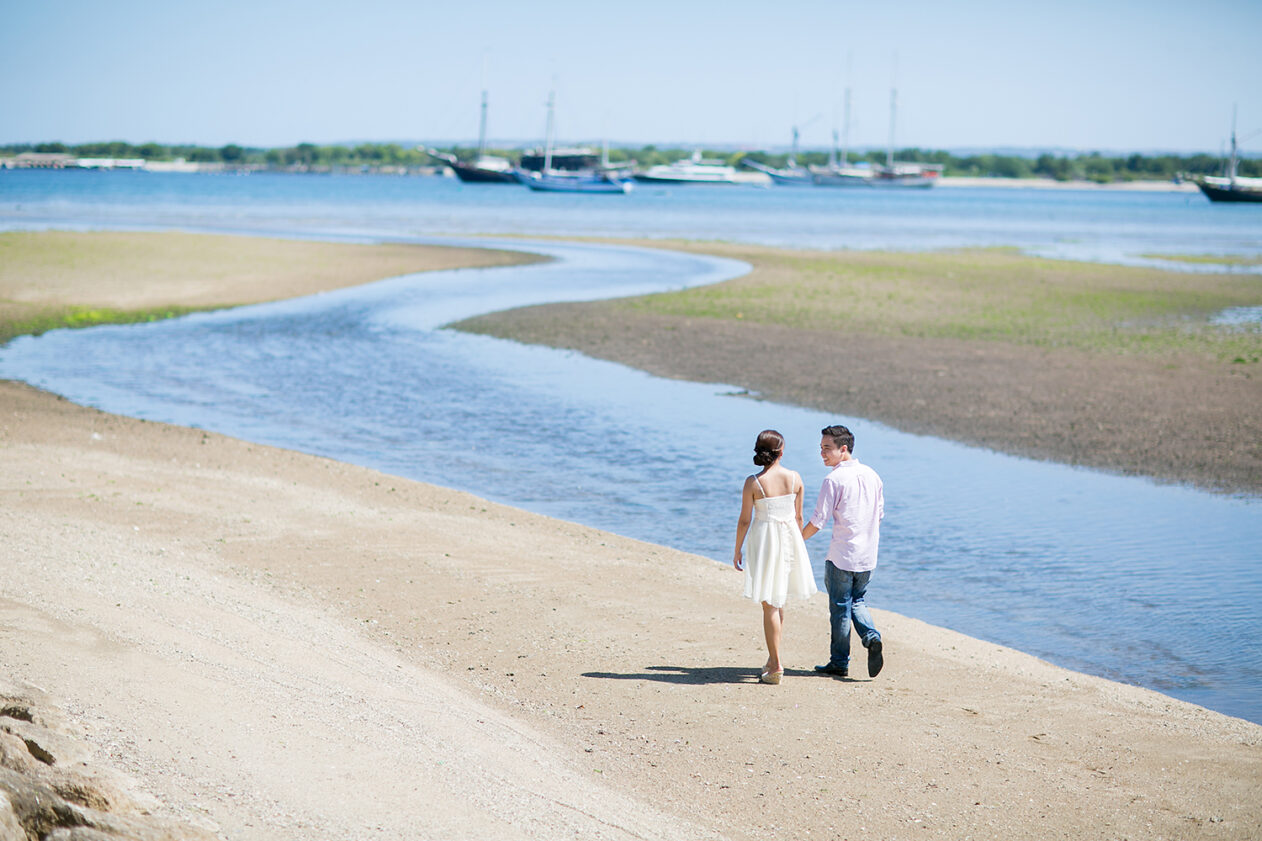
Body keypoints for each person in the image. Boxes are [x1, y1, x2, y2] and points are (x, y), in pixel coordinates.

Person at [733, 429, 818, 685]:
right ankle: (773, 659)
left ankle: (776, 663)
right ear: (781, 452)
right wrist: (798, 545)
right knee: (778, 601)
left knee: (769, 603)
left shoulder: (753, 482)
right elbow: (800, 517)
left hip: (765, 540)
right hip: (789, 538)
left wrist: (737, 548)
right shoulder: (795, 478)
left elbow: (745, 520)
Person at [801, 424, 885, 679]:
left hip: (842, 555)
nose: (822, 454)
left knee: (840, 607)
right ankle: (870, 637)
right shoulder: (873, 474)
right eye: (821, 448)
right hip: (868, 555)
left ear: (843, 449)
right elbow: (879, 515)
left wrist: (796, 539)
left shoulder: (834, 479)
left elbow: (818, 520)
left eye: (827, 448)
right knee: (857, 601)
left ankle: (839, 661)